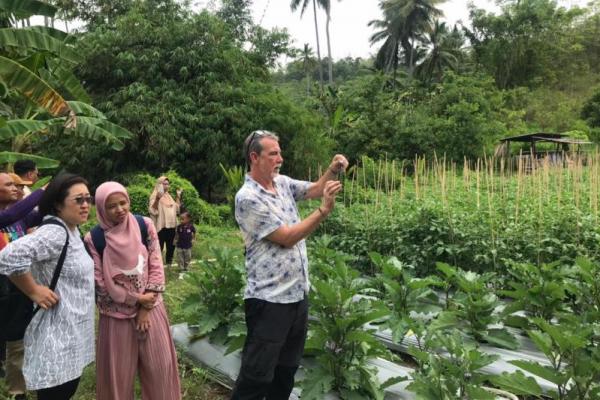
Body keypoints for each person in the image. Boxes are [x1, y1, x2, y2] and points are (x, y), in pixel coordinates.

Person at [231, 130, 347, 400]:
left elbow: (315, 189)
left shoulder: (281, 183)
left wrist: (332, 168)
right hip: (270, 300)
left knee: (285, 373)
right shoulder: (248, 198)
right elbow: (286, 238)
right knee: (256, 376)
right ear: (254, 157)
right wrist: (323, 211)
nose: (280, 158)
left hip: (297, 296)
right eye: (273, 154)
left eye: (279, 152)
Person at [0, 173, 94, 400]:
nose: (85, 205)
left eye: (88, 199)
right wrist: (33, 290)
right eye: (78, 200)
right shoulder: (55, 232)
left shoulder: (72, 228)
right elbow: (8, 257)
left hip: (71, 331)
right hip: (56, 338)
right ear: (57, 205)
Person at [85, 181, 181, 400]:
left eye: (123, 202)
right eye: (112, 206)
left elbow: (156, 265)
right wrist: (137, 299)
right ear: (100, 208)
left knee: (160, 372)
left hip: (152, 311)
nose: (120, 209)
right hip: (115, 316)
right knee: (116, 380)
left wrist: (146, 307)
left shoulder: (144, 225)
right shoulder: (94, 239)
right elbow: (100, 284)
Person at [0, 173, 42, 400]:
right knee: (13, 339)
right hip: (3, 288)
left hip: (23, 285)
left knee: (21, 340)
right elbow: (12, 214)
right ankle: (17, 392)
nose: (16, 188)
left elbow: (39, 216)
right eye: (9, 185)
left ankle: (22, 386)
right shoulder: (8, 216)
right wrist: (42, 192)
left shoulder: (20, 218)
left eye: (17, 185)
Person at [148, 176, 181, 266]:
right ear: (159, 185)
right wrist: (158, 199)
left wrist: (178, 196)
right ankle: (156, 267)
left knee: (171, 247)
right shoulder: (154, 195)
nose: (167, 186)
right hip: (161, 227)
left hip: (172, 226)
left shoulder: (169, 196)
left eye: (168, 184)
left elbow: (177, 209)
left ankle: (169, 265)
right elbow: (152, 211)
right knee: (159, 248)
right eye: (164, 184)